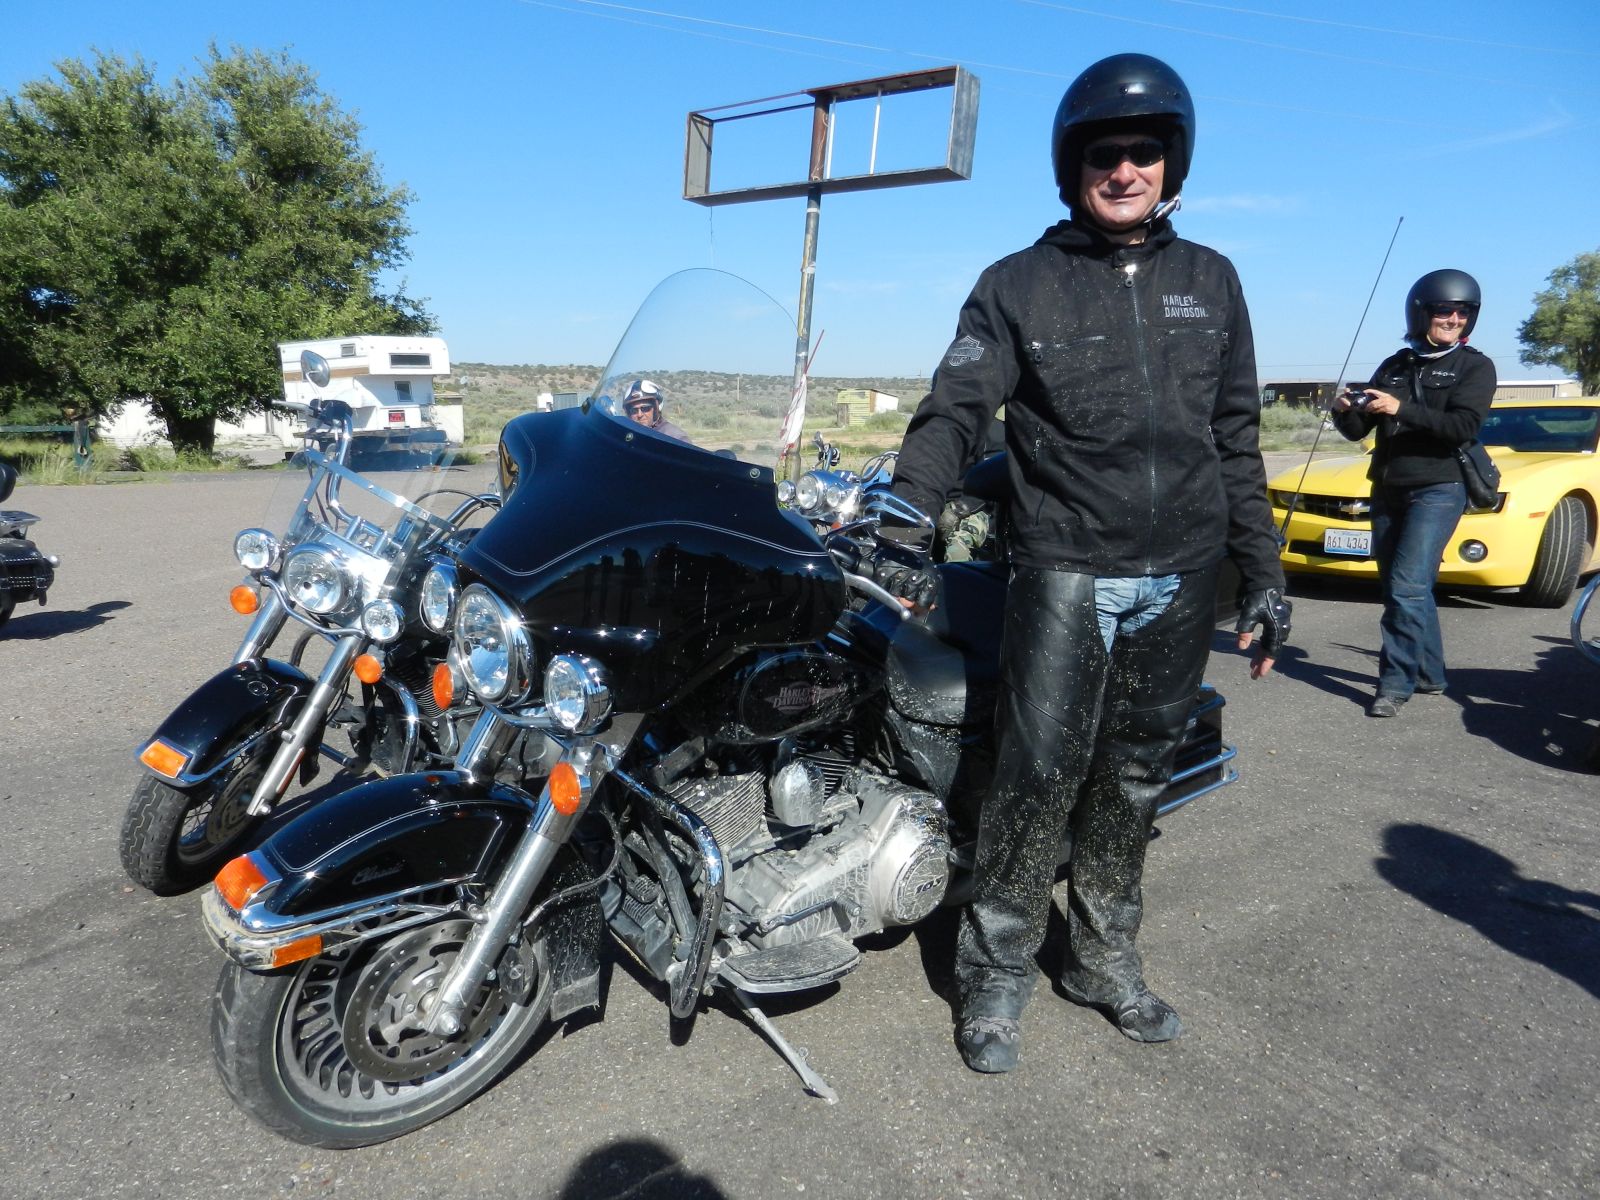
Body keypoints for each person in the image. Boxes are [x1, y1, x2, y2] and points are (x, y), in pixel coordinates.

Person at [877, 52, 1291, 1074]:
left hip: (1182, 572)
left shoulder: (1212, 280)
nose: (1124, 170)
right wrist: (905, 515)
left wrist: (1264, 573)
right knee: (1035, 778)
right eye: (1104, 154)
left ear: (1171, 163)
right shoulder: (1016, 285)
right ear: (1073, 168)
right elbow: (955, 408)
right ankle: (997, 973)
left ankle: (1103, 961)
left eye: (1144, 151)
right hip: (1065, 564)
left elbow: (1235, 439)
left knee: (1134, 779)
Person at [1331, 270, 1496, 718]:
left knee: (1407, 587)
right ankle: (1430, 675)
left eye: (1463, 313)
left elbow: (1463, 426)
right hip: (1388, 488)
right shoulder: (1394, 366)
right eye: (1445, 311)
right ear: (1422, 313)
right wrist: (1344, 410)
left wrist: (1400, 407)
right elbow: (1358, 430)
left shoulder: (1474, 367)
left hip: (1439, 488)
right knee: (1404, 588)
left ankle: (1394, 685)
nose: (1454, 320)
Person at [620, 378, 690, 443]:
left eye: (645, 408)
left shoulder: (676, 438)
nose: (639, 415)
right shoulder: (627, 435)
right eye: (634, 410)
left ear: (656, 408)